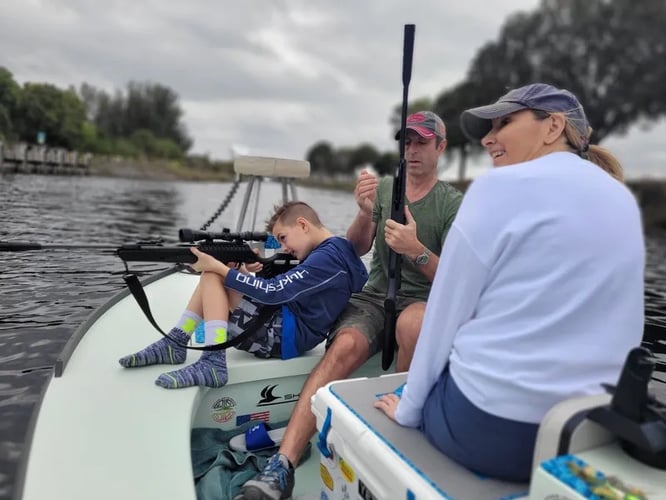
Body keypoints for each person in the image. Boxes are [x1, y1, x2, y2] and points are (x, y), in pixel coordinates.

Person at [374, 83, 645, 482]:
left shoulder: (493, 189)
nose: (488, 138)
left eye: (504, 123)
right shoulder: (621, 198)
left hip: (493, 432)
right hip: (587, 433)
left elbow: (446, 316)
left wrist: (410, 408)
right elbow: (630, 328)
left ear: (553, 126)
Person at [237, 111, 463, 500]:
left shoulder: (452, 204)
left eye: (422, 142)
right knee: (343, 347)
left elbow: (455, 280)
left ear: (441, 147)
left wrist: (416, 250)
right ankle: (283, 466)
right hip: (375, 296)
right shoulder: (387, 187)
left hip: (423, 299)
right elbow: (357, 246)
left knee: (413, 326)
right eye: (406, 141)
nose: (412, 150)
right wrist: (362, 212)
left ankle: (397, 443)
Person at [119, 201, 368, 389]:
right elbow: (286, 289)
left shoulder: (328, 257)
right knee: (218, 273)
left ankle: (211, 361)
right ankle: (176, 342)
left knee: (213, 274)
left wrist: (220, 269)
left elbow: (274, 292)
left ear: (303, 225)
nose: (283, 248)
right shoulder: (332, 252)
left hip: (286, 336)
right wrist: (246, 273)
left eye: (283, 238)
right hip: (288, 327)